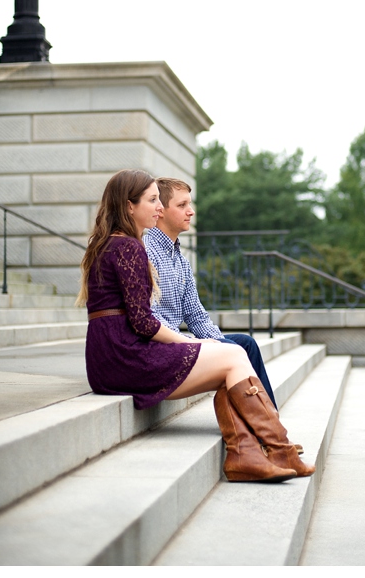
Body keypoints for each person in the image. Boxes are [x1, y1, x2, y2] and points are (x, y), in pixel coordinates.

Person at [80, 169, 315, 483]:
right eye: (153, 201)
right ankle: (271, 448)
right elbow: (143, 320)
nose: (159, 208)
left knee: (232, 354)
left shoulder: (116, 244)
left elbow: (185, 314)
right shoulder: (131, 248)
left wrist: (206, 341)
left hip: (111, 355)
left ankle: (258, 452)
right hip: (124, 356)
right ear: (129, 206)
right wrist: (190, 343)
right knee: (232, 356)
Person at [145, 177, 278, 410]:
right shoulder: (146, 253)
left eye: (190, 204)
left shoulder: (181, 262)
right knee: (237, 350)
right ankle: (268, 433)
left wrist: (220, 342)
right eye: (182, 205)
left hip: (180, 344)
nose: (191, 211)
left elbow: (196, 316)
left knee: (244, 344)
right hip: (164, 348)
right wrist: (192, 343)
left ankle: (271, 424)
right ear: (161, 211)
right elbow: (150, 317)